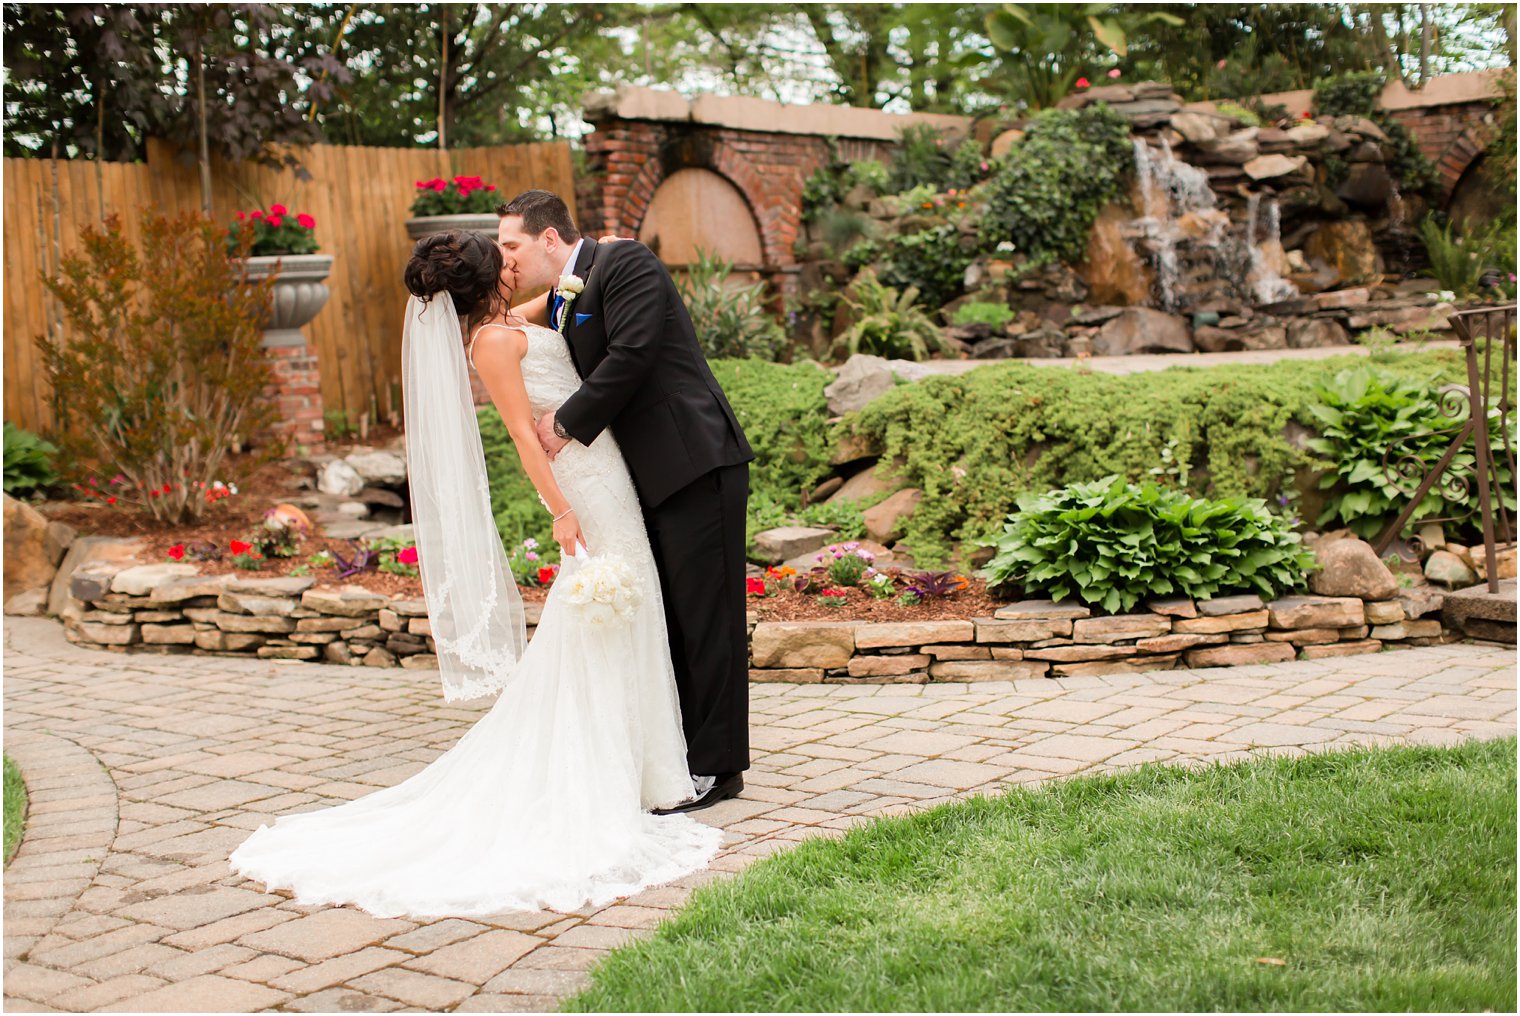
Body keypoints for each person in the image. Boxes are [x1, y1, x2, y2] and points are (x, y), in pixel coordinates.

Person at [228, 231, 722, 917]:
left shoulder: (505, 323)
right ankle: (630, 771)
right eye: (505, 256)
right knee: (611, 610)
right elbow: (524, 435)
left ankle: (646, 764)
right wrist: (560, 513)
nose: (514, 261)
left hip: (606, 472)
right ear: (492, 278)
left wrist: (600, 252)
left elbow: (564, 292)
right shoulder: (490, 343)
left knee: (627, 608)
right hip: (582, 487)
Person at [499, 190, 754, 813]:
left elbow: (634, 354)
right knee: (671, 619)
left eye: (512, 245)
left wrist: (564, 423)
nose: (504, 257)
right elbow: (515, 331)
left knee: (707, 620)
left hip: (695, 460)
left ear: (550, 239)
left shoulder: (627, 263)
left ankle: (719, 769)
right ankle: (679, 756)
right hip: (644, 478)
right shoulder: (565, 293)